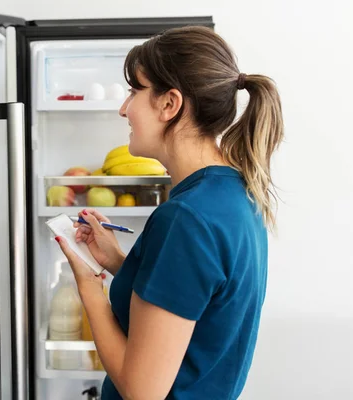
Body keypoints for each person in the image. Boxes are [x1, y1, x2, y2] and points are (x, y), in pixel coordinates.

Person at [55, 26, 283, 400]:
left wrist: (89, 288)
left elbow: (142, 392)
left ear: (169, 104)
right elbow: (195, 299)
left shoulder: (186, 218)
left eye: (134, 91)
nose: (123, 108)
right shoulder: (236, 191)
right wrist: (117, 261)